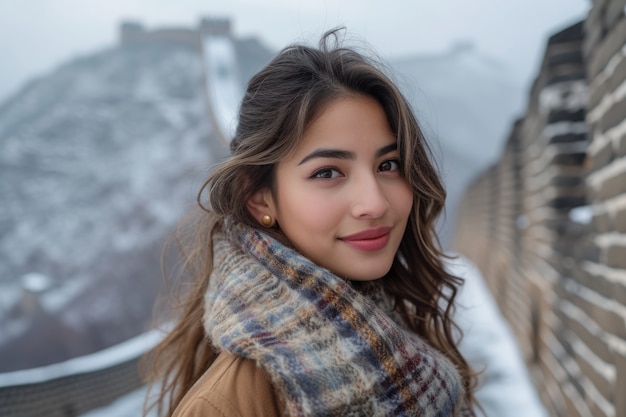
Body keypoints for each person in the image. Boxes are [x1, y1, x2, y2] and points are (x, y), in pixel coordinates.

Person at [144, 29, 478, 417]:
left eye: (389, 165)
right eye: (327, 173)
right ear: (259, 198)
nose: (374, 203)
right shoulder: (226, 405)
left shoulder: (397, 329)